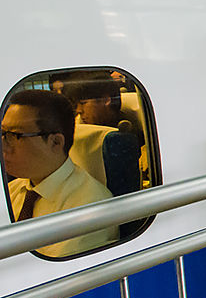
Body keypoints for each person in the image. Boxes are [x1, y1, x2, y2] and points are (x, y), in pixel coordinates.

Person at [1, 90, 118, 258]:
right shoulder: (14, 189)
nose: (4, 147)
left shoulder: (89, 208)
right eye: (3, 134)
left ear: (56, 142)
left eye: (14, 135)